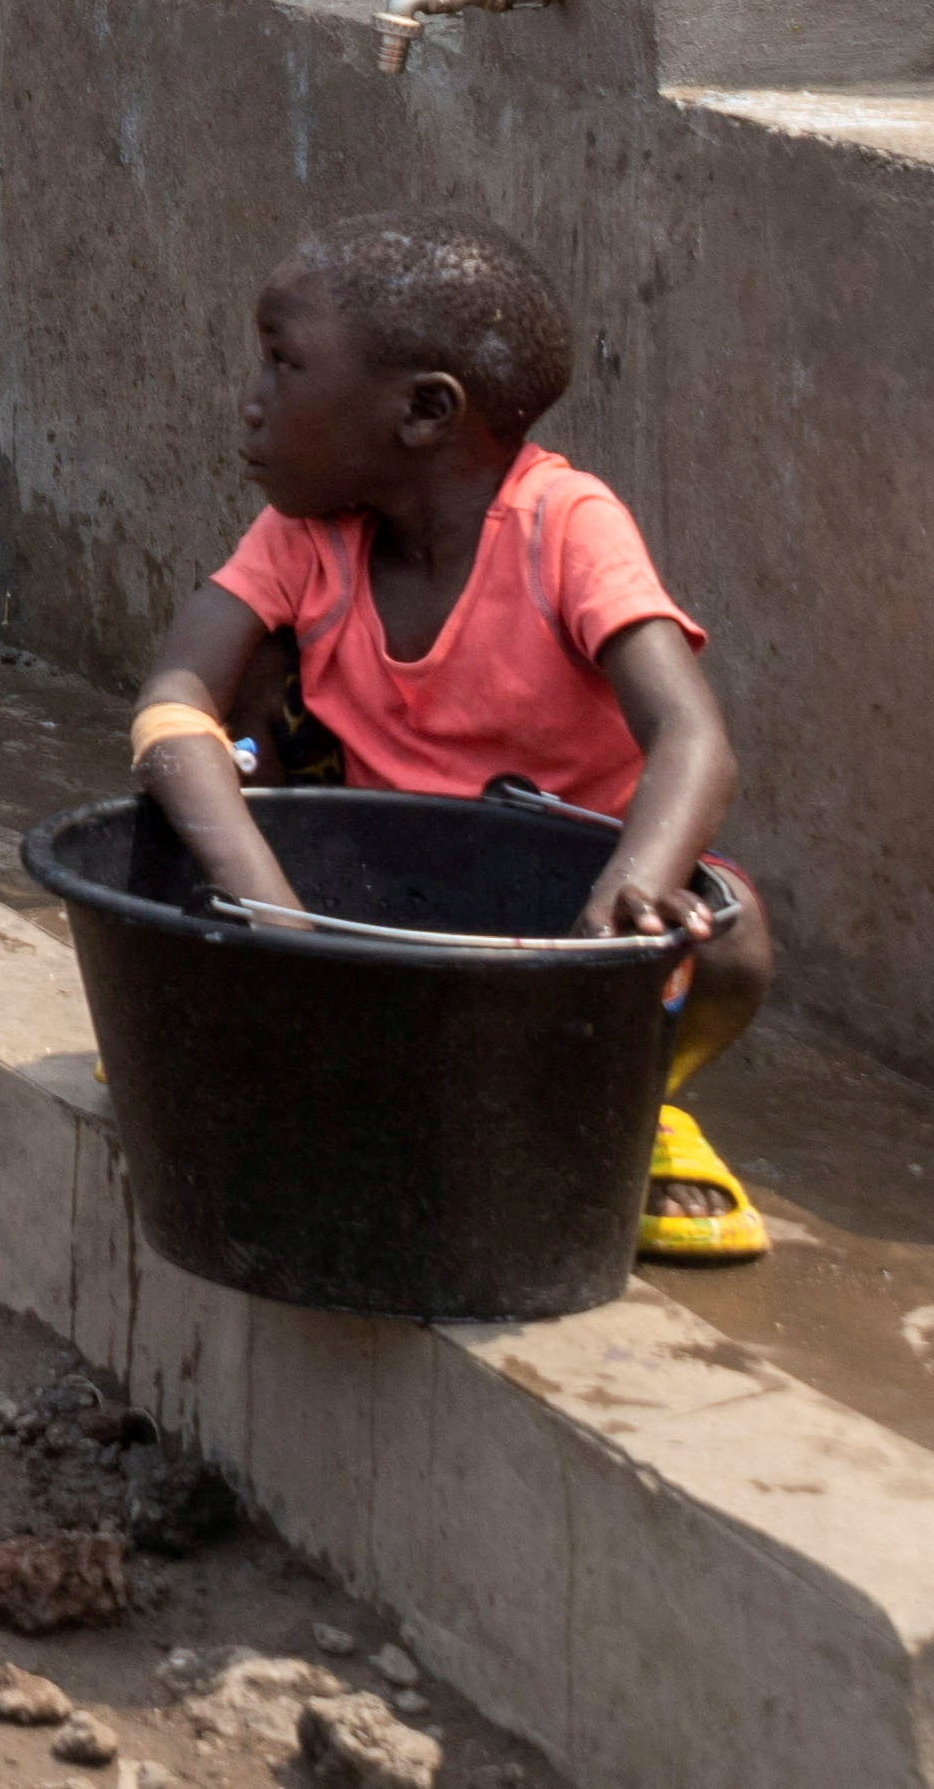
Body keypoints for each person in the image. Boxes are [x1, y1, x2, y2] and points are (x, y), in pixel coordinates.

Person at [133, 221, 781, 1263]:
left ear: (425, 411)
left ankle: (620, 1095)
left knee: (732, 930)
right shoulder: (306, 532)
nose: (251, 396)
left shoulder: (564, 526)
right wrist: (270, 911)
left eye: (284, 361)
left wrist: (629, 893)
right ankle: (301, 1045)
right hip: (358, 907)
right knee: (180, 803)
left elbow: (692, 739)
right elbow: (174, 700)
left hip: (549, 926)